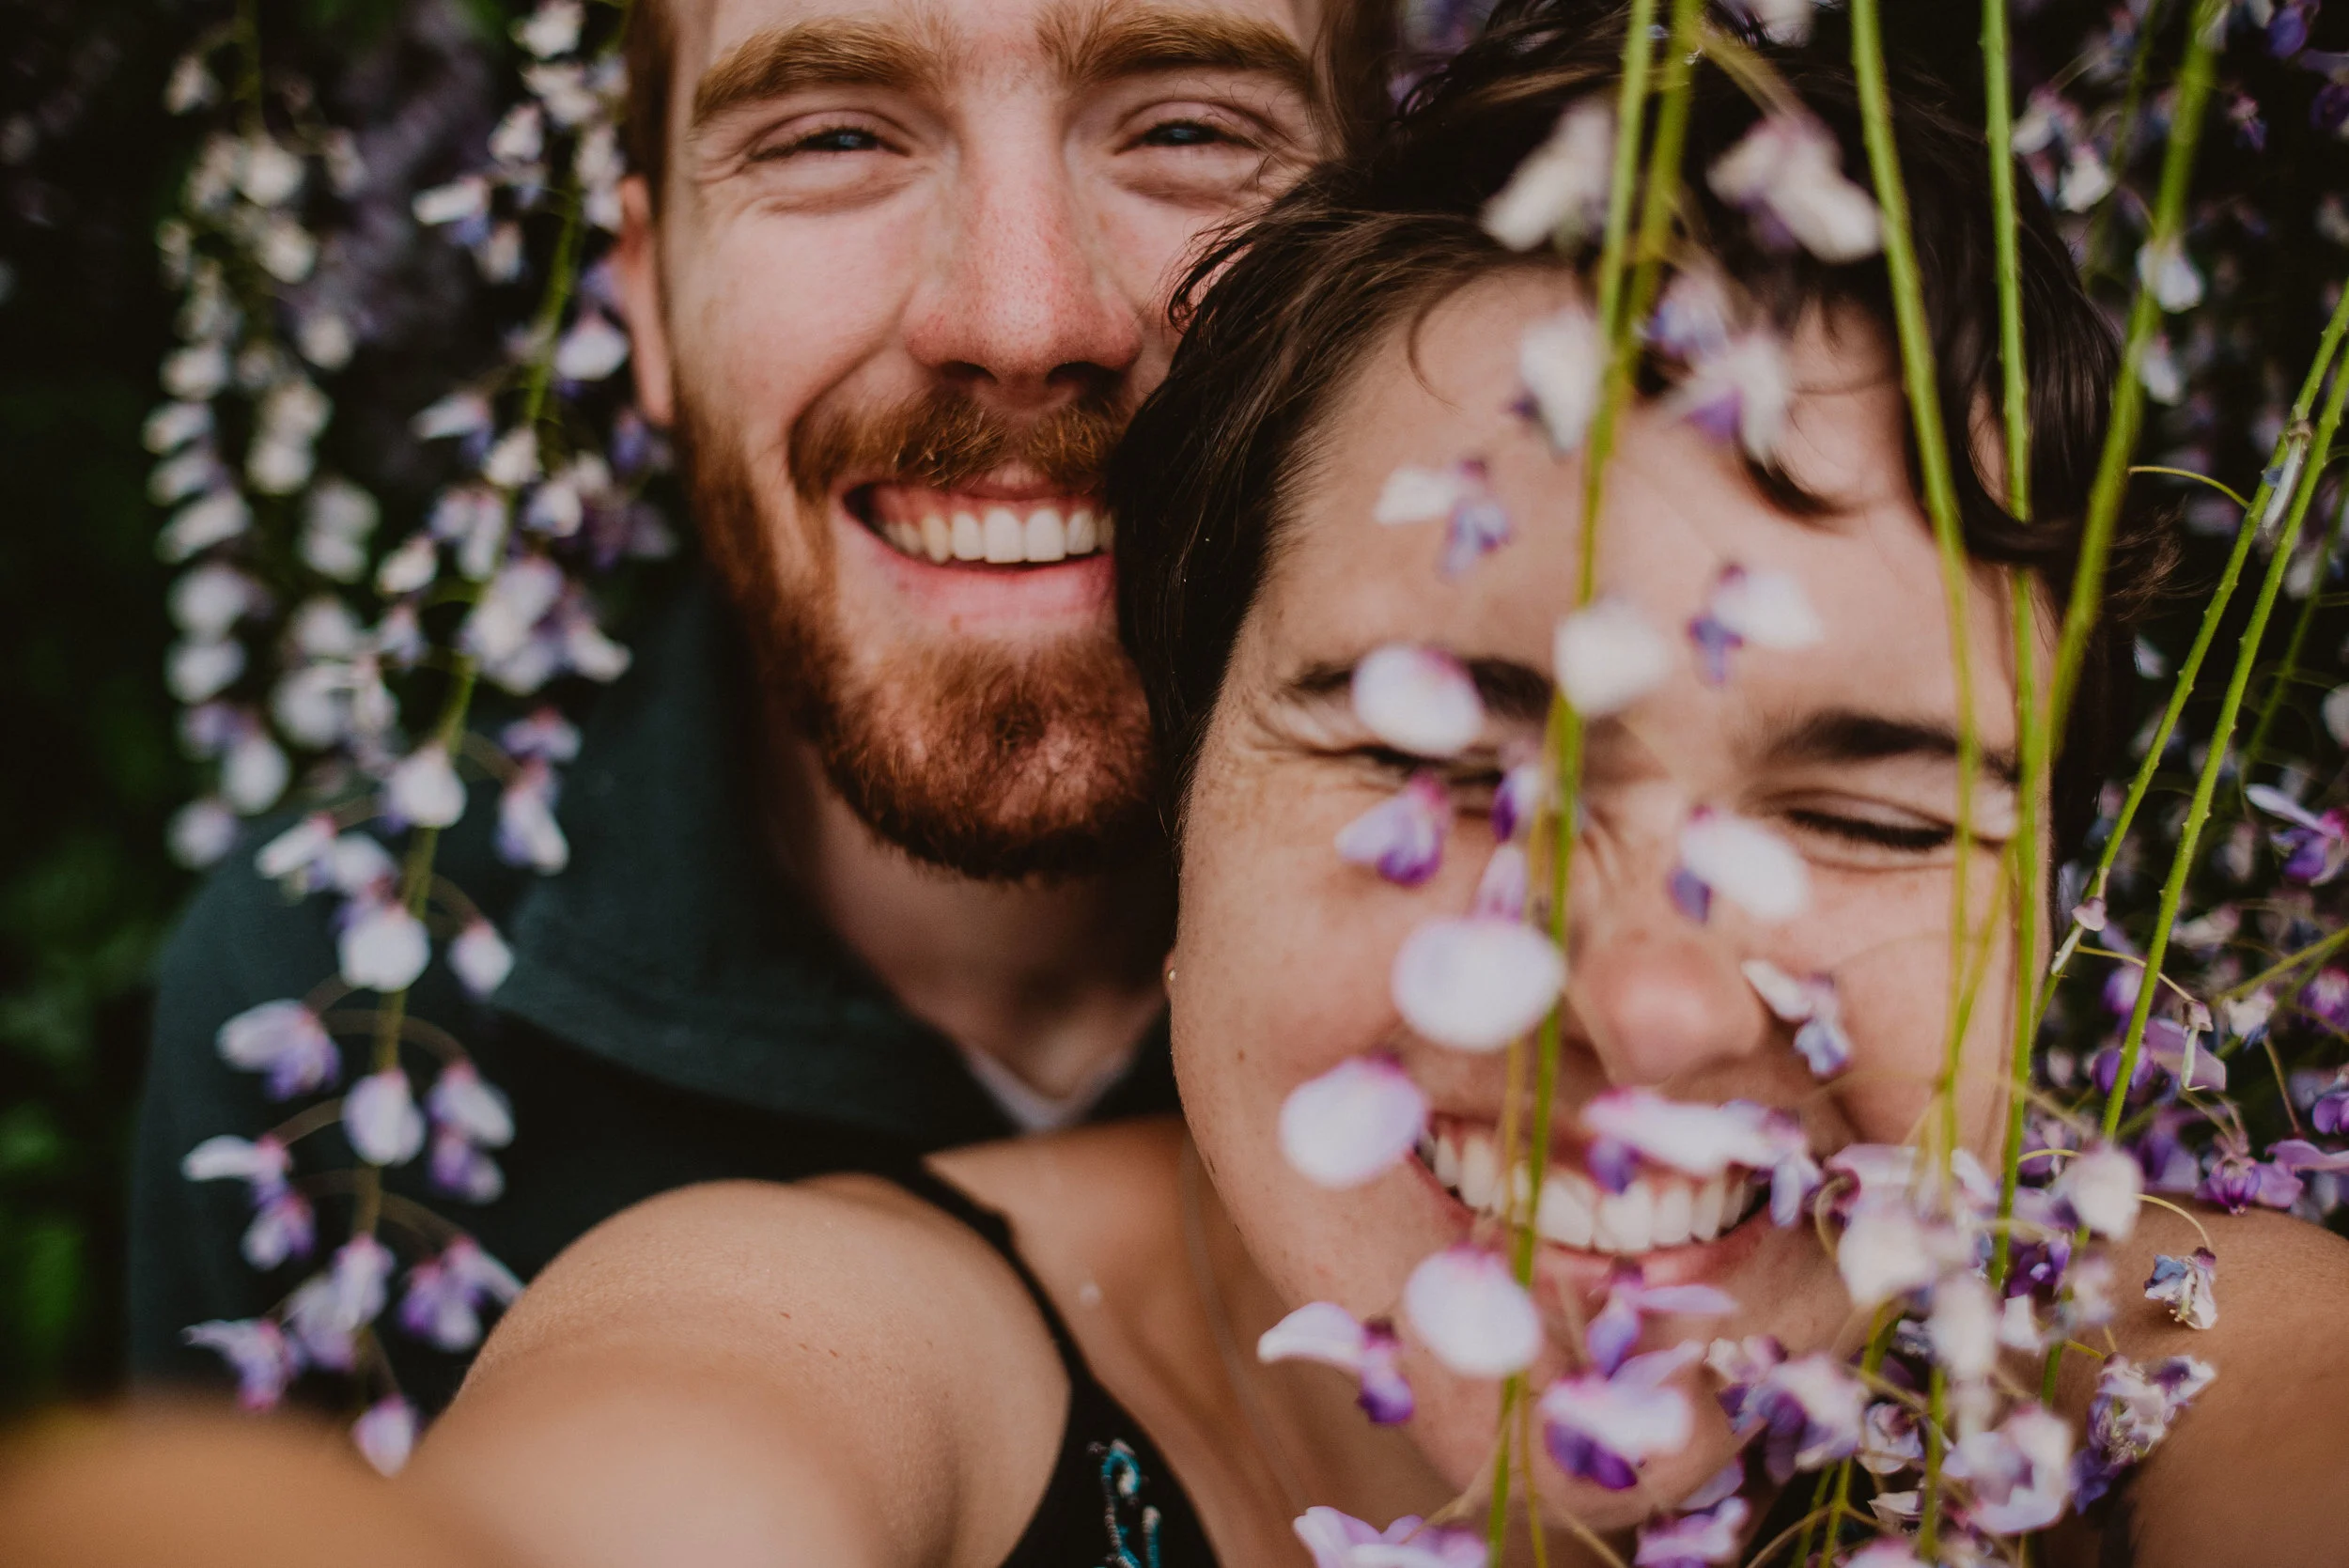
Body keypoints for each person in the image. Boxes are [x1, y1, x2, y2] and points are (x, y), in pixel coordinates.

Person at [368, 6, 2349, 1565]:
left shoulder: (2155, 1351)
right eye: (1444, 762)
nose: (1647, 1004)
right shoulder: (817, 1329)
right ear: (1181, 791)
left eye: (1868, 817)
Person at [129, 0, 1355, 1410]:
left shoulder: (1542, 960)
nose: (1022, 320)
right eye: (832, 138)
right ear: (647, 301)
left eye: (1189, 130)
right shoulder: (330, 999)